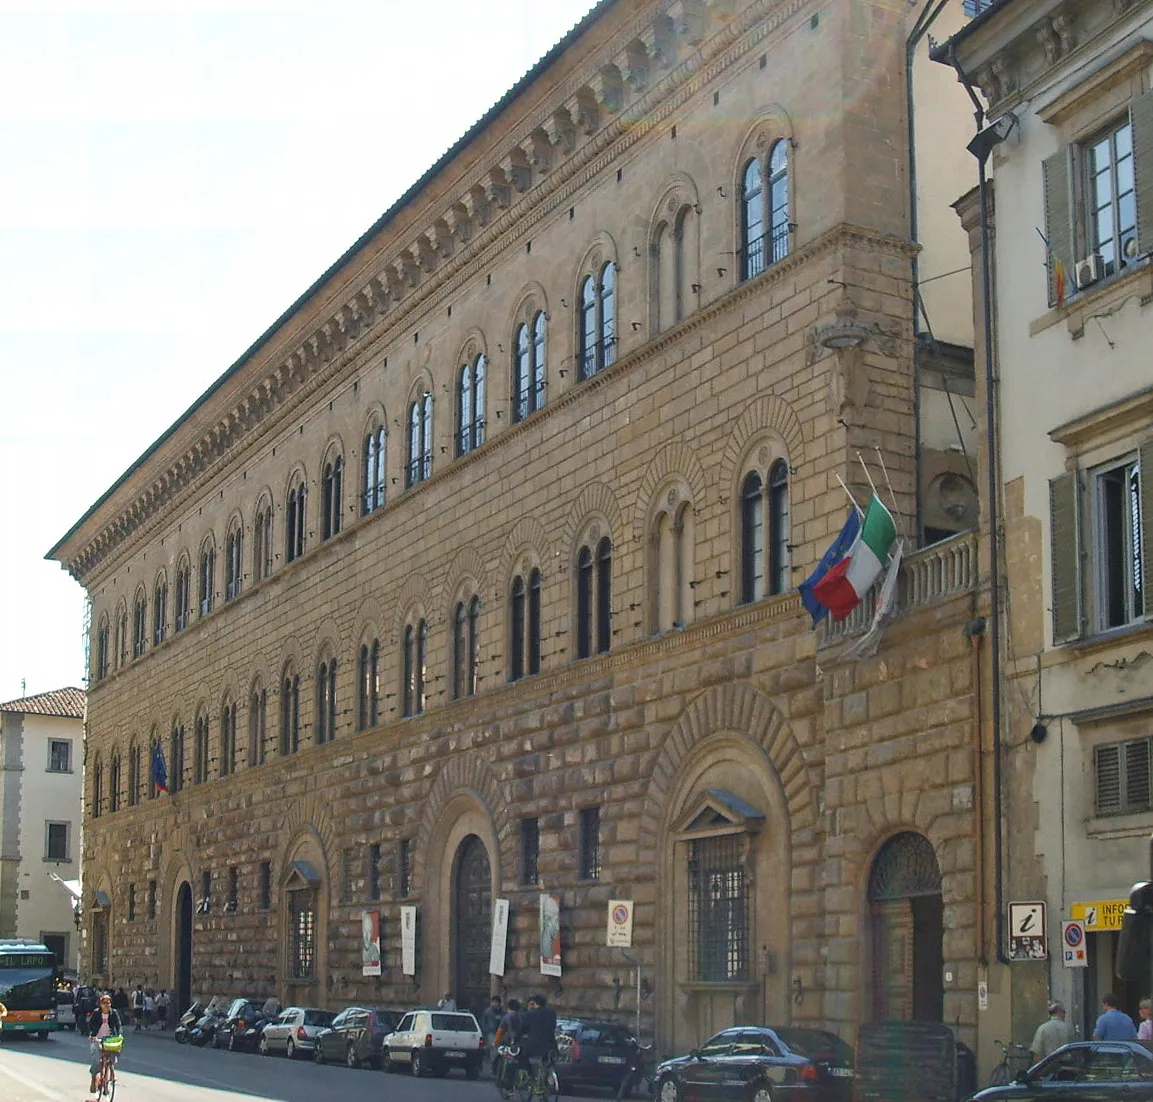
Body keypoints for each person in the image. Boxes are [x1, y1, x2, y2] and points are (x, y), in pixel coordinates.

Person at [514, 993, 558, 1090]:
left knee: (523, 1056)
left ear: (536, 1004)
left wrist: (517, 1037)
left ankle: (531, 1076)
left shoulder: (531, 1013)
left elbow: (523, 1028)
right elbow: (553, 1027)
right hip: (550, 1044)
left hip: (535, 1045)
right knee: (546, 1061)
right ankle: (545, 1079)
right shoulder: (552, 1013)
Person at [87, 993, 122, 1096]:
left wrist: (119, 1034)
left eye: (109, 1002)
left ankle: (109, 1077)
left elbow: (118, 1024)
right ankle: (94, 1078)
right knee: (96, 1060)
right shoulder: (96, 1013)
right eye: (105, 1003)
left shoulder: (113, 1013)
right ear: (101, 1004)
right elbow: (91, 1025)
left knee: (113, 1055)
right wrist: (92, 1035)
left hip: (110, 1039)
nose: (107, 1005)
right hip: (97, 1038)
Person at [494, 998, 522, 1091]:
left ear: (509, 1008)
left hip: (508, 1043)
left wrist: (495, 1043)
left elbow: (500, 1032)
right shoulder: (521, 1017)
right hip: (519, 1044)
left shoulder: (506, 1017)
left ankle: (501, 1080)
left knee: (501, 1059)